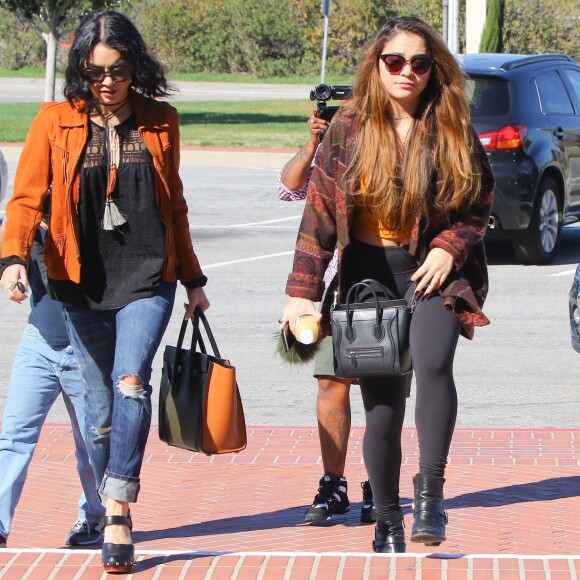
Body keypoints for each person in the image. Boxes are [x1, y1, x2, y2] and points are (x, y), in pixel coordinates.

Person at [0, 10, 209, 573]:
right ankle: (109, 490)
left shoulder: (161, 121)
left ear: (134, 67)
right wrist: (13, 259)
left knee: (130, 382)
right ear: (80, 72)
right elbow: (26, 201)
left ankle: (117, 508)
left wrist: (191, 279)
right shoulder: (53, 122)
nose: (108, 83)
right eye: (95, 74)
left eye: (118, 71)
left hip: (148, 278)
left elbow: (175, 206)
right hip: (78, 284)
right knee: (98, 413)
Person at [281, 16, 494, 553]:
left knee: (432, 363)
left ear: (433, 68)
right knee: (381, 405)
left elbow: (479, 201)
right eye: (394, 62)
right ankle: (386, 518)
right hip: (366, 281)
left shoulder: (449, 123)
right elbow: (319, 216)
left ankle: (431, 498)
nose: (407, 72)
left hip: (432, 274)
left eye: (419, 63)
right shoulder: (348, 130)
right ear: (375, 66)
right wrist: (301, 292)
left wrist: (451, 247)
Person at [277, 108, 376, 524]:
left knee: (380, 392)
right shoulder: (335, 141)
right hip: (336, 288)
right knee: (330, 385)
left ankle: (380, 484)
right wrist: (313, 144)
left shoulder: (398, 136)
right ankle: (334, 483)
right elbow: (288, 187)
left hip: (383, 284)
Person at [0, 203, 105, 549]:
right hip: (39, 343)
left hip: (86, 348)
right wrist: (10, 272)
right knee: (14, 437)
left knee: (90, 445)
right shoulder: (23, 229)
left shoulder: (90, 225)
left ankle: (95, 516)